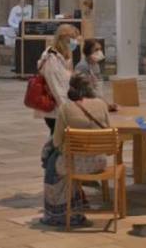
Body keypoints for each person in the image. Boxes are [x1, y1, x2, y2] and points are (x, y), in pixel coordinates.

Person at [41, 72, 112, 227]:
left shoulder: (66, 108)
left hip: (74, 163)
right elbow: (109, 129)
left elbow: (57, 140)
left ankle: (59, 213)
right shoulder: (101, 104)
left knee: (52, 162)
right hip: (99, 162)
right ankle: (78, 205)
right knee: (58, 160)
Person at [34, 24, 78, 132]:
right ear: (65, 38)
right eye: (74, 38)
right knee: (58, 140)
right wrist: (66, 110)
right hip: (55, 109)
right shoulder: (51, 58)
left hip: (60, 107)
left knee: (58, 141)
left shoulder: (61, 56)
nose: (75, 42)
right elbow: (55, 87)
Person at [74, 39, 117, 110]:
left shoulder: (95, 65)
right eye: (96, 50)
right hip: (86, 105)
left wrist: (106, 103)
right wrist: (105, 105)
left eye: (100, 49)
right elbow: (88, 91)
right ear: (88, 52)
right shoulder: (82, 67)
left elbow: (97, 87)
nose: (100, 52)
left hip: (95, 102)